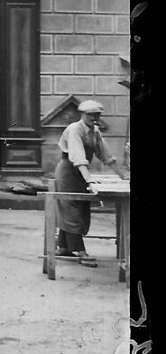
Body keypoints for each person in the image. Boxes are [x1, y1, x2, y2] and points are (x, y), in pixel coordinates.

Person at [53, 99, 119, 267]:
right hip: (68, 172)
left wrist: (123, 175)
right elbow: (78, 157)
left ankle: (63, 247)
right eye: (91, 115)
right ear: (82, 114)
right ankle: (80, 251)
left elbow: (105, 156)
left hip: (81, 173)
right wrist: (88, 178)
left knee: (80, 208)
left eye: (97, 115)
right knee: (71, 209)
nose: (94, 118)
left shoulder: (94, 131)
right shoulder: (75, 129)